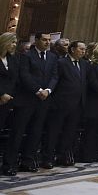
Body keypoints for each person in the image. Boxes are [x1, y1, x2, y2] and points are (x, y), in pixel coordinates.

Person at [5, 32, 58, 173]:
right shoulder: (26, 55)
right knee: (18, 132)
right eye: (44, 40)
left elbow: (55, 76)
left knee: (36, 132)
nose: (48, 42)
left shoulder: (52, 57)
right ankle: (10, 163)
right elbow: (24, 75)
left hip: (44, 100)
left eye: (49, 40)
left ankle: (27, 161)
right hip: (27, 99)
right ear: (37, 40)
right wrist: (38, 90)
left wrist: (48, 90)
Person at [45, 40, 88, 166]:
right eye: (81, 49)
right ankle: (48, 157)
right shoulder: (62, 62)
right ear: (73, 49)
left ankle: (63, 155)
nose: (83, 51)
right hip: (61, 103)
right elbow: (55, 79)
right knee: (53, 131)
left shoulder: (84, 64)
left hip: (77, 104)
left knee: (70, 132)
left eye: (84, 49)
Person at [0, 32, 18, 175]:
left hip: (7, 101)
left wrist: (8, 95)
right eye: (12, 42)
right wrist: (1, 94)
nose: (14, 45)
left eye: (15, 42)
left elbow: (14, 79)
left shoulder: (12, 59)